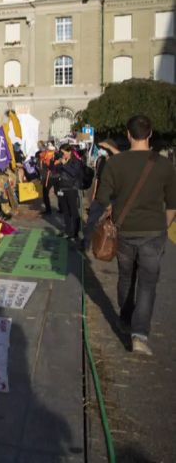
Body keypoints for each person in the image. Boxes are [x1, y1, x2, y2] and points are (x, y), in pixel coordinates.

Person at [95, 115, 176, 356]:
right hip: (154, 231)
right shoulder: (164, 165)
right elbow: (172, 203)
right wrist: (164, 224)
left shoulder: (115, 164)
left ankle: (126, 319)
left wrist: (112, 207)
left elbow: (101, 198)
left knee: (126, 277)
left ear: (128, 135)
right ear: (150, 134)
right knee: (148, 285)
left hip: (124, 230)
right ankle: (139, 335)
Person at [53, 144, 83, 241]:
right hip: (62, 188)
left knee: (73, 211)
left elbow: (73, 173)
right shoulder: (62, 160)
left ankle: (75, 233)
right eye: (61, 152)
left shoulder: (76, 161)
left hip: (71, 189)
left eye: (63, 152)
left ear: (69, 151)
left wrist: (65, 164)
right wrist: (56, 163)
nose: (62, 154)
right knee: (65, 211)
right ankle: (68, 231)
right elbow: (55, 170)